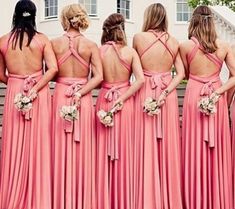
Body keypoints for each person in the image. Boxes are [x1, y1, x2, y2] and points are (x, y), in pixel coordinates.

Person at [0, 0, 58, 208]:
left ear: (15, 15)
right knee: (39, 143)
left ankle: (12, 196)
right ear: (33, 16)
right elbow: (53, 69)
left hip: (14, 91)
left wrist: (16, 84)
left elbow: (0, 75)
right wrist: (33, 88)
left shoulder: (3, 41)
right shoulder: (42, 40)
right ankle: (39, 198)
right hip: (39, 93)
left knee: (14, 144)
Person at [180, 5, 235, 209]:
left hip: (194, 94)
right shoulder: (224, 46)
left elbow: (184, 74)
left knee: (194, 147)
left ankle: (195, 200)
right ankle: (217, 200)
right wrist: (220, 94)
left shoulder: (185, 46)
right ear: (212, 22)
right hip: (216, 96)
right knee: (216, 149)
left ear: (193, 21)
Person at [132, 3, 184, 209]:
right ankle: (167, 196)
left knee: (144, 141)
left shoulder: (138, 38)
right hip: (167, 95)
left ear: (149, 17)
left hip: (144, 91)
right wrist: (165, 92)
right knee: (168, 144)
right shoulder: (174, 41)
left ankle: (146, 196)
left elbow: (131, 70)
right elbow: (180, 73)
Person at [51, 4, 103, 209]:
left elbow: (51, 73)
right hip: (83, 97)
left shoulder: (54, 43)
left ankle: (61, 196)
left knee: (60, 146)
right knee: (82, 146)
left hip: (61, 95)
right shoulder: (90, 45)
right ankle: (82, 197)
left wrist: (65, 80)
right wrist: (81, 91)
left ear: (64, 19)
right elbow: (99, 77)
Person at [96, 13, 144, 209]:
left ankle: (104, 199)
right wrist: (122, 98)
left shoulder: (99, 51)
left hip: (104, 100)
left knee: (102, 150)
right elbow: (140, 80)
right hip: (125, 104)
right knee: (126, 151)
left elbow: (96, 79)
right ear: (122, 29)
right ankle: (125, 200)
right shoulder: (130, 52)